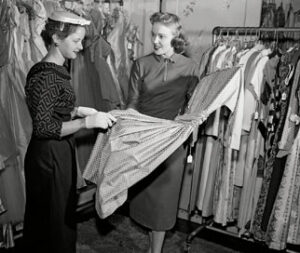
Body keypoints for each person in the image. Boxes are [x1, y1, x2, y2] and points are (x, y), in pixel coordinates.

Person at [23, 10, 116, 253]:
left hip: (54, 152)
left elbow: (50, 108)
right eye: (76, 41)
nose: (81, 46)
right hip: (49, 155)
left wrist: (76, 111)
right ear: (55, 38)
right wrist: (87, 123)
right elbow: (44, 127)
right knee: (55, 223)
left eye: (82, 40)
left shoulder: (52, 68)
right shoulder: (48, 75)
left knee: (55, 216)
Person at [127, 12, 199, 253]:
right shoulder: (140, 64)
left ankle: (155, 251)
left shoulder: (189, 67)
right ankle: (153, 246)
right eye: (153, 35)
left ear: (175, 37)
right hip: (144, 143)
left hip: (171, 146)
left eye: (162, 36)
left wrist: (190, 121)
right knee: (146, 202)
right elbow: (132, 105)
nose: (155, 41)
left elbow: (193, 106)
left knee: (163, 204)